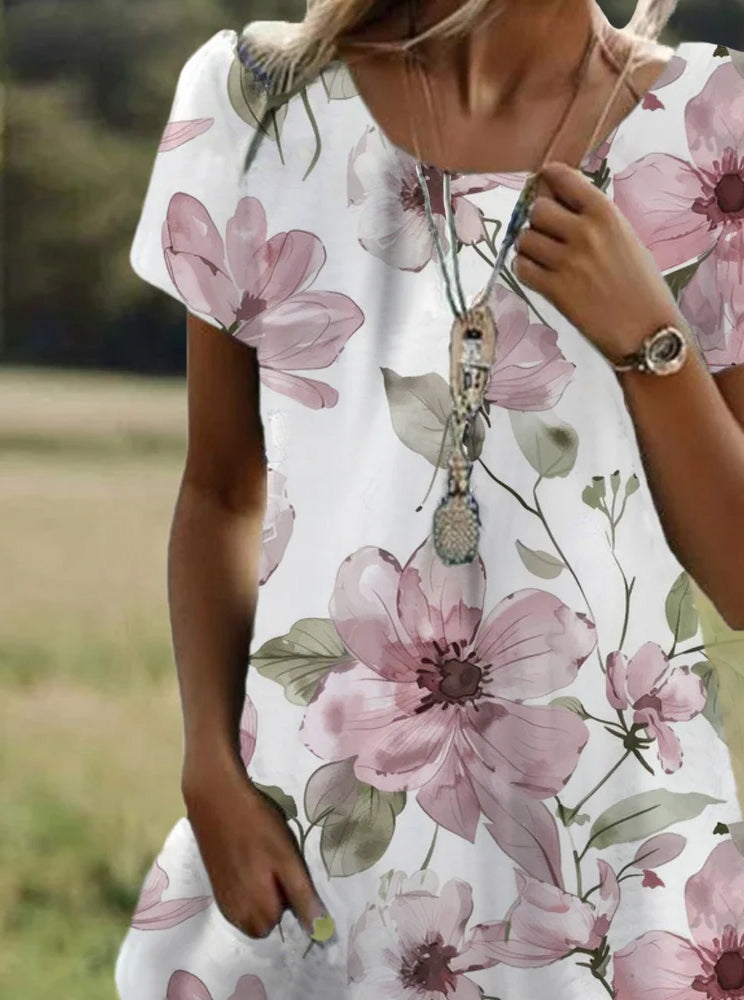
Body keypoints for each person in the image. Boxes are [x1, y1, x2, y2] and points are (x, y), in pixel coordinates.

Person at [115, 0, 744, 996]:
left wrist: (648, 341)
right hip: (320, 851)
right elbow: (220, 487)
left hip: (611, 880)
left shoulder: (713, 126)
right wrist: (209, 772)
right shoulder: (262, 104)